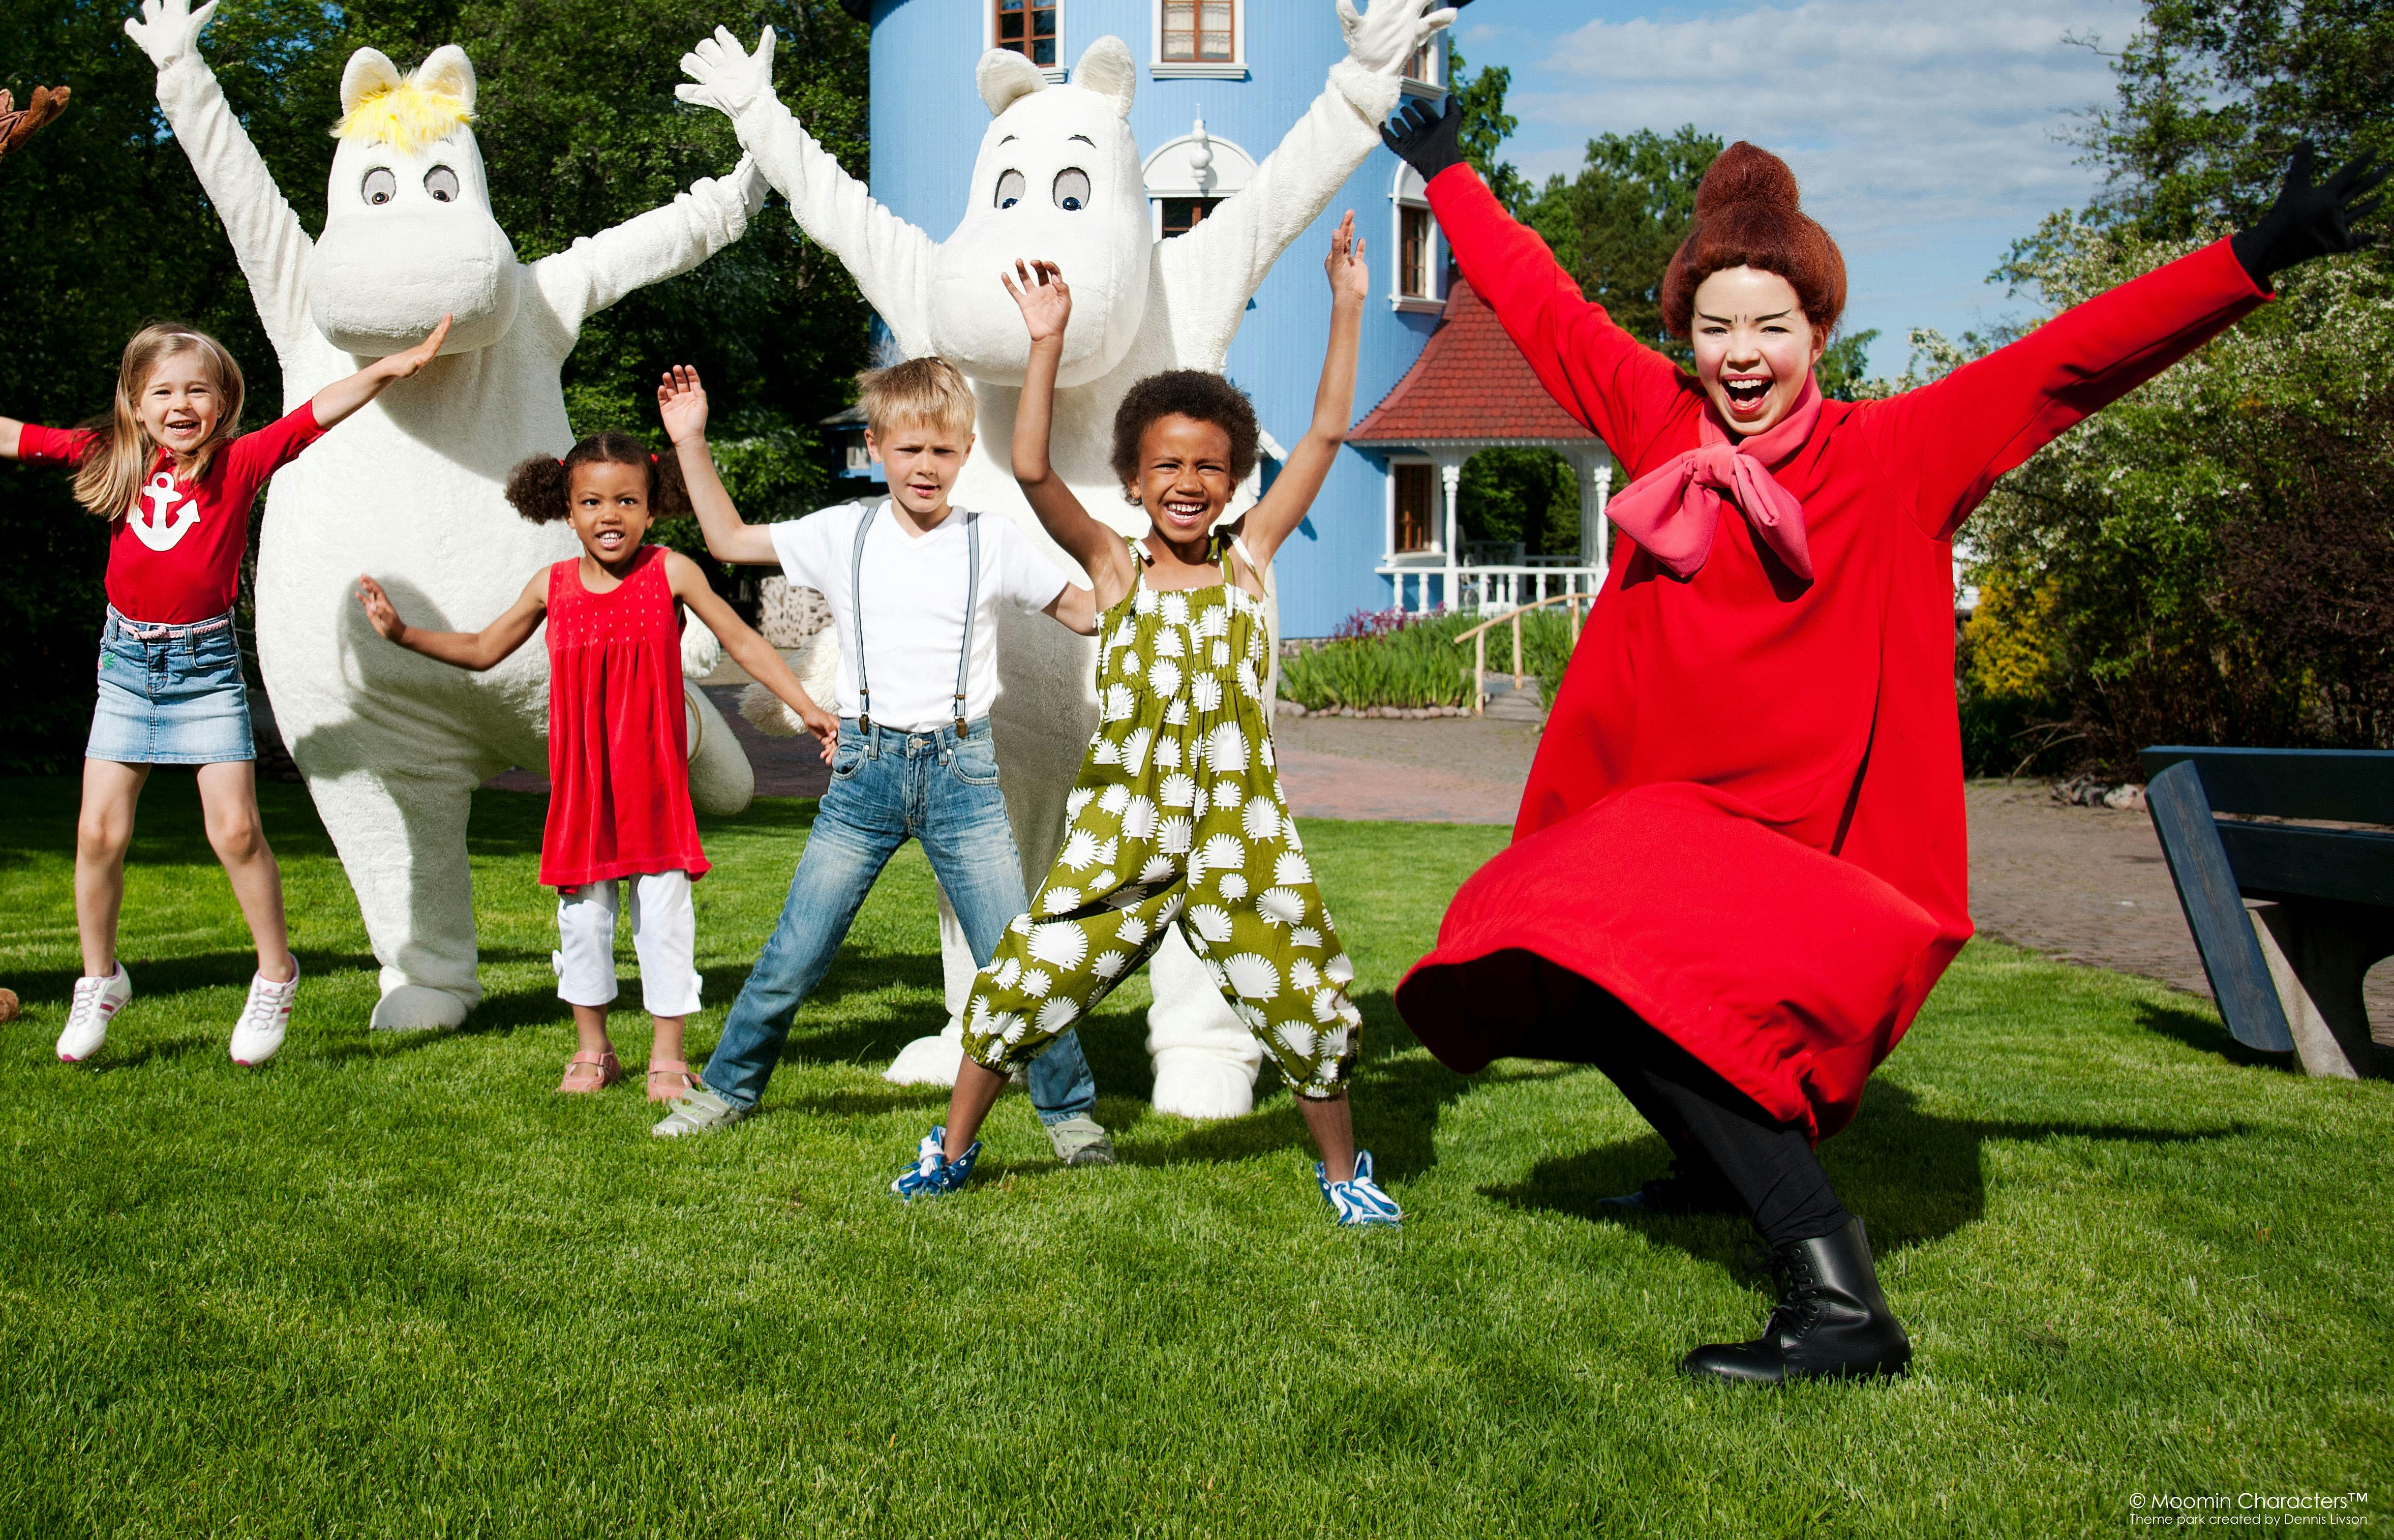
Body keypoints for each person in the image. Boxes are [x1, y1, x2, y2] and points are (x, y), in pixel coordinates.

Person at [1377, 98, 2383, 1382]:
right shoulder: (1658, 424)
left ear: (1819, 333)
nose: (1743, 355)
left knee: (1595, 949)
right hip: (1667, 834)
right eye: (1716, 328)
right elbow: (1542, 305)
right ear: (1685, 337)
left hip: (1809, 851)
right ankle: (1715, 1169)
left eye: (1771, 327)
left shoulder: (1900, 453)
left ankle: (1839, 1298)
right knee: (1565, 944)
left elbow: (2071, 360)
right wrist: (1449, 172)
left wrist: (2255, 254)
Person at [891, 216, 1404, 1226]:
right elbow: (1033, 469)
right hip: (1124, 829)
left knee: (1305, 998)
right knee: (1024, 980)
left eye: (1209, 466)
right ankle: (949, 1152)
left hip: (1239, 832)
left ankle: (1346, 1176)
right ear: (1133, 478)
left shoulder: (1250, 558)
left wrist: (1347, 306)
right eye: (1166, 466)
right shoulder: (1115, 568)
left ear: (1234, 480)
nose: (1187, 483)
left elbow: (1327, 434)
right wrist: (1047, 340)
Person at [0, 314, 448, 1065]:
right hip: (127, 671)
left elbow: (318, 412)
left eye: (198, 390)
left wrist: (392, 367)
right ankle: (100, 981)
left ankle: (275, 975)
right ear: (136, 405)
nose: (181, 404)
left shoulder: (240, 463)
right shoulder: (112, 460)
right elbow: (12, 435)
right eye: (163, 391)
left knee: (236, 833)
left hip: (206, 671)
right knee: (98, 836)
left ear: (223, 402)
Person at [648, 357, 1115, 1164]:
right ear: (875, 447)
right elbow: (728, 540)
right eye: (909, 450)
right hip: (865, 775)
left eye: (942, 451)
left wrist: (1168, 579)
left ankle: (1068, 1112)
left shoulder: (993, 542)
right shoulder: (843, 531)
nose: (925, 467)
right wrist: (690, 439)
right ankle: (725, 1089)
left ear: (966, 451)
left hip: (964, 778)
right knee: (796, 951)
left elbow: (1086, 610)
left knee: (1015, 960)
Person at [359, 433, 837, 1099]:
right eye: (592, 502)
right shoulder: (550, 586)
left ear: (652, 508)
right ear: (566, 509)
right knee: (582, 924)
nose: (609, 515)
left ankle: (668, 1057)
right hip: (582, 793)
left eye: (626, 501)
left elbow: (743, 642)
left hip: (656, 788)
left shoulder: (672, 572)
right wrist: (402, 633)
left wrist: (807, 706)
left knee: (665, 922)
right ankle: (593, 1051)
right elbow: (482, 649)